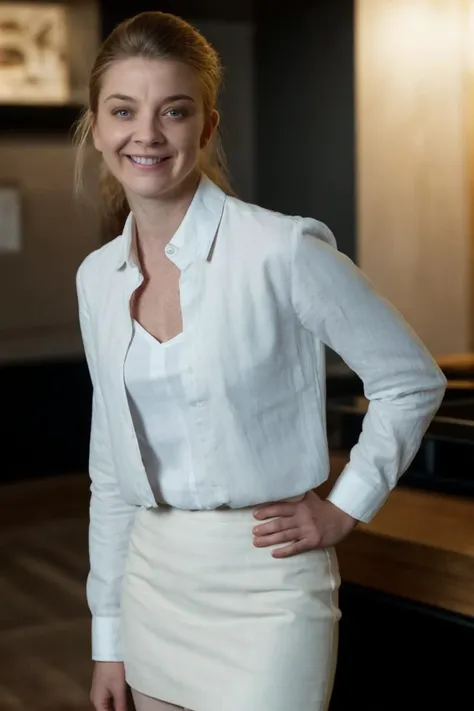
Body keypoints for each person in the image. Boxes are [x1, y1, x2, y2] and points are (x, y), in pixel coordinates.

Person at [74, 11, 446, 711]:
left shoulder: (282, 250)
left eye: (174, 111)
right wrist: (109, 636)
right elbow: (110, 470)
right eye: (124, 110)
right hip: (153, 585)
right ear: (97, 127)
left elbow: (409, 379)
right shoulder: (96, 278)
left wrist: (346, 506)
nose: (146, 134)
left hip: (269, 589)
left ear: (207, 127)